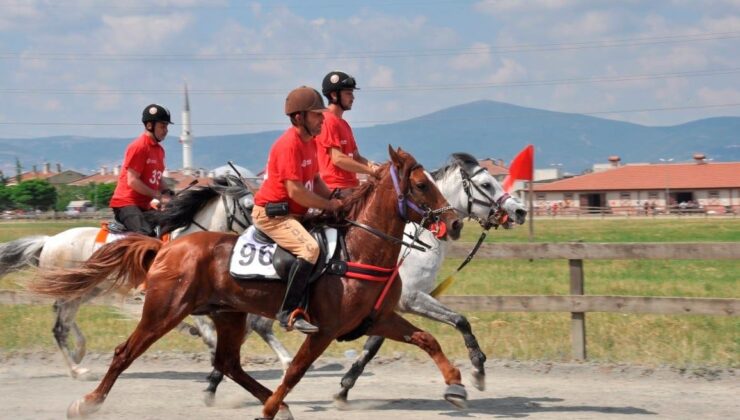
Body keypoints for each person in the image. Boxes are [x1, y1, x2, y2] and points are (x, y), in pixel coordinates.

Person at [251, 86, 342, 334]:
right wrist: (327, 205)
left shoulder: (311, 142)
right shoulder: (288, 145)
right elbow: (296, 192)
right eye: (316, 115)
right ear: (299, 117)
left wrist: (336, 197)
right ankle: (288, 312)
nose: (322, 118)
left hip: (296, 213)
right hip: (273, 216)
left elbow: (316, 181)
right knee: (310, 248)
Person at [109, 104, 174, 236]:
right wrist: (159, 197)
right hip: (126, 204)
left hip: (144, 205)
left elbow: (157, 178)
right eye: (162, 126)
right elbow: (132, 181)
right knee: (146, 234)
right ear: (150, 126)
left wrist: (170, 194)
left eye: (167, 126)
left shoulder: (159, 151)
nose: (166, 130)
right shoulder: (138, 147)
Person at [315, 71, 378, 197]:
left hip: (350, 187)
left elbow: (356, 157)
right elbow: (337, 158)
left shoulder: (344, 124)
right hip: (335, 189)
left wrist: (376, 167)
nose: (353, 97)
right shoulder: (327, 120)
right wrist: (370, 171)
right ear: (334, 95)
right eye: (348, 93)